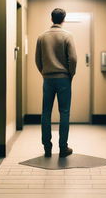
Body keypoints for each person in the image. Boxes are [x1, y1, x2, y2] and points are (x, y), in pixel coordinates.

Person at [35, 8, 77, 158]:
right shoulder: (67, 36)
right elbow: (72, 59)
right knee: (64, 113)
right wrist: (70, 74)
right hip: (64, 78)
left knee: (45, 113)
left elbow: (37, 60)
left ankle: (47, 147)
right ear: (63, 19)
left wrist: (44, 73)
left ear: (51, 19)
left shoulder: (42, 37)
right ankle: (63, 148)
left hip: (48, 79)